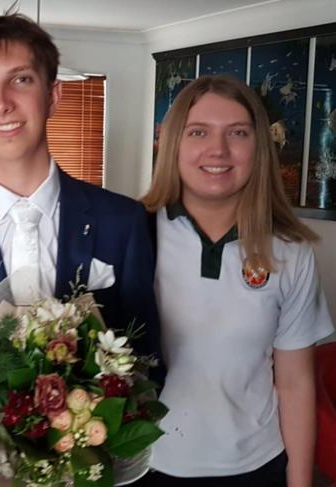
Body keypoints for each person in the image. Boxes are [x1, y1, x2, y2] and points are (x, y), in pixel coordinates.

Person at [0, 13, 162, 487]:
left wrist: (95, 450)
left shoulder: (123, 220)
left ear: (53, 94)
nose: (2, 102)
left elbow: (147, 357)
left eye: (20, 79)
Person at [138, 75, 334, 487]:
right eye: (198, 132)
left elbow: (295, 381)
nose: (218, 150)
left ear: (258, 148)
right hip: (142, 465)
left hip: (255, 468)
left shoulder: (292, 252)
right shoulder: (132, 234)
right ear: (173, 143)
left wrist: (299, 480)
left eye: (238, 133)